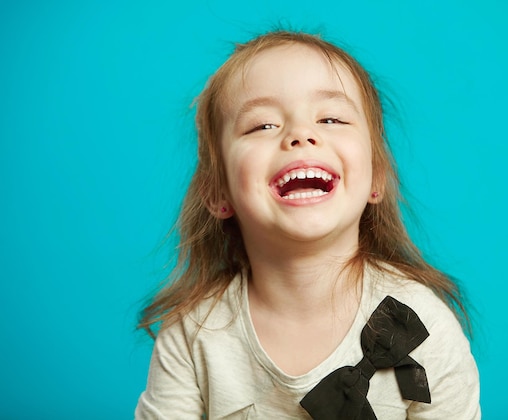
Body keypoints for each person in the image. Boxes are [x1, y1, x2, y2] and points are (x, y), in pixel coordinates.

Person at [135, 30, 480, 419]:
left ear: (376, 177)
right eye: (262, 125)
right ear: (218, 192)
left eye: (331, 118)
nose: (301, 135)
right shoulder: (193, 333)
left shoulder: (422, 324)